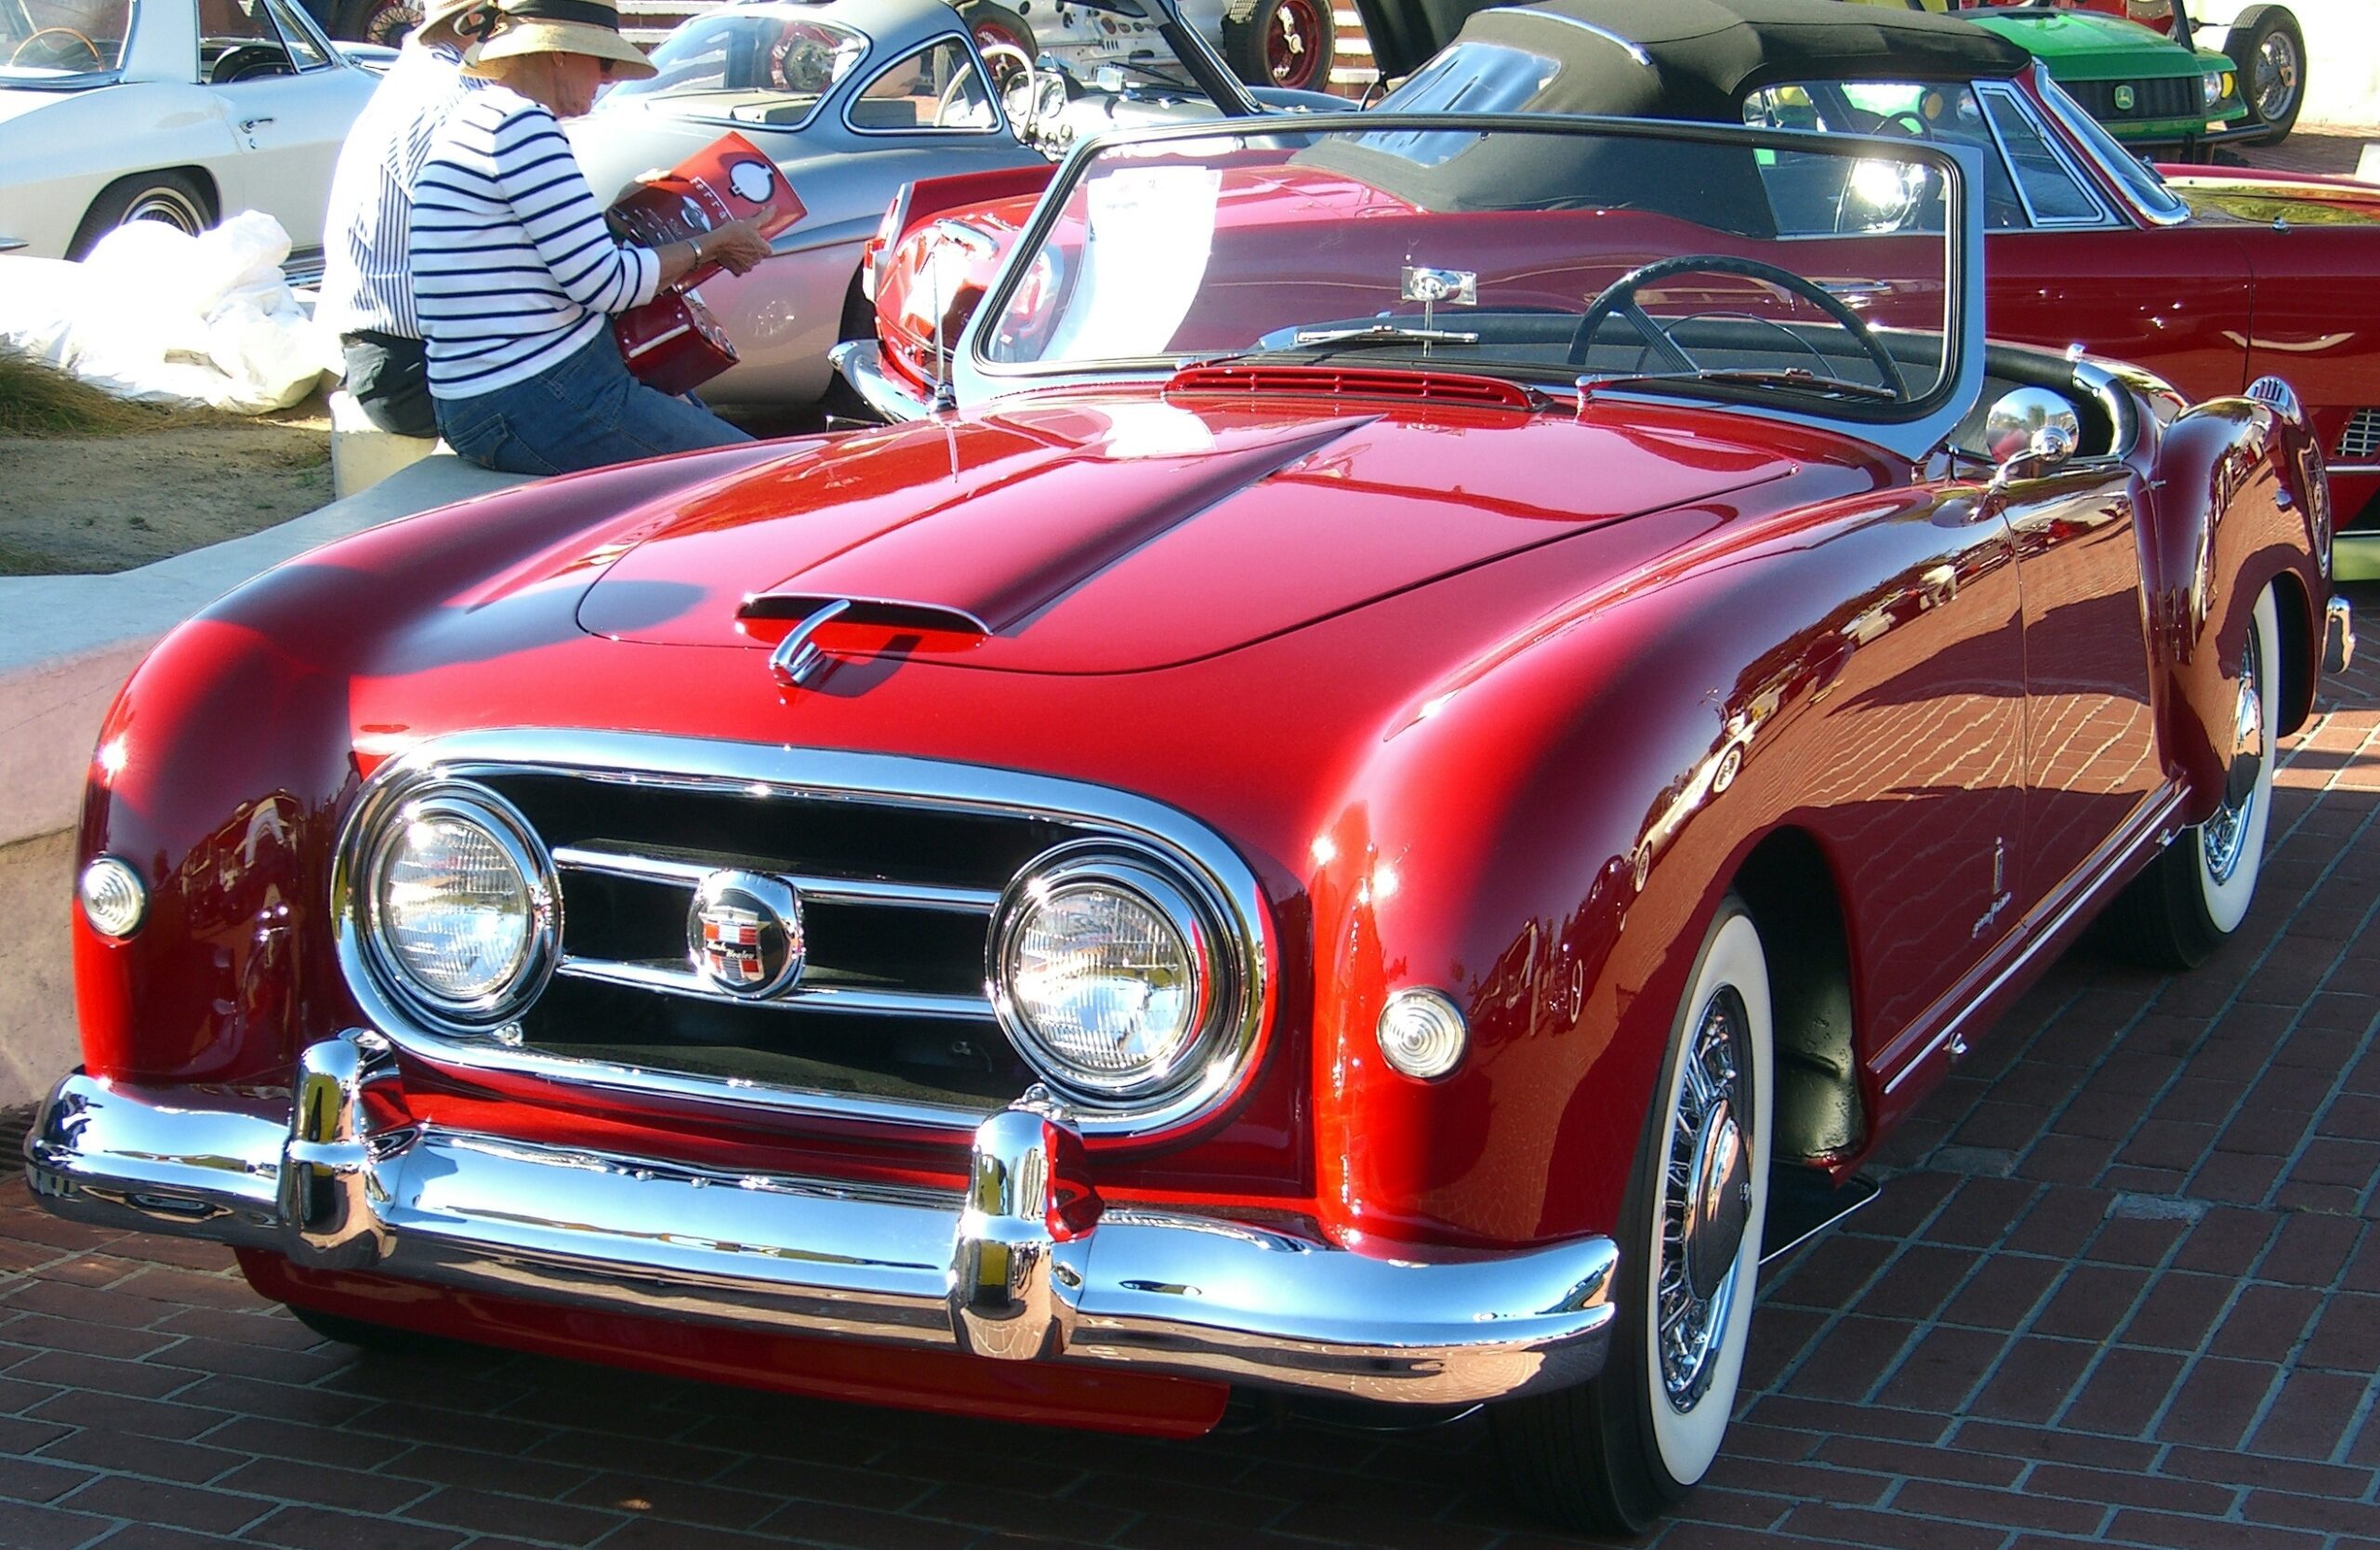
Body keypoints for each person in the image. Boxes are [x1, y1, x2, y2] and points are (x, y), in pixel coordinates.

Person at [409, 0, 774, 475]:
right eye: (603, 63)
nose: (606, 79)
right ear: (559, 52)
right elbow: (606, 284)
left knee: (739, 459)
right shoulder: (523, 127)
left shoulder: (483, 115)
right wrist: (711, 245)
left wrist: (620, 215)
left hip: (488, 390)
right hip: (533, 389)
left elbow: (542, 255)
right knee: (750, 475)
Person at [316, 0, 495, 438]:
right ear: (477, 19)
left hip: (385, 355)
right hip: (411, 371)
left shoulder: (418, 75)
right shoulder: (457, 95)